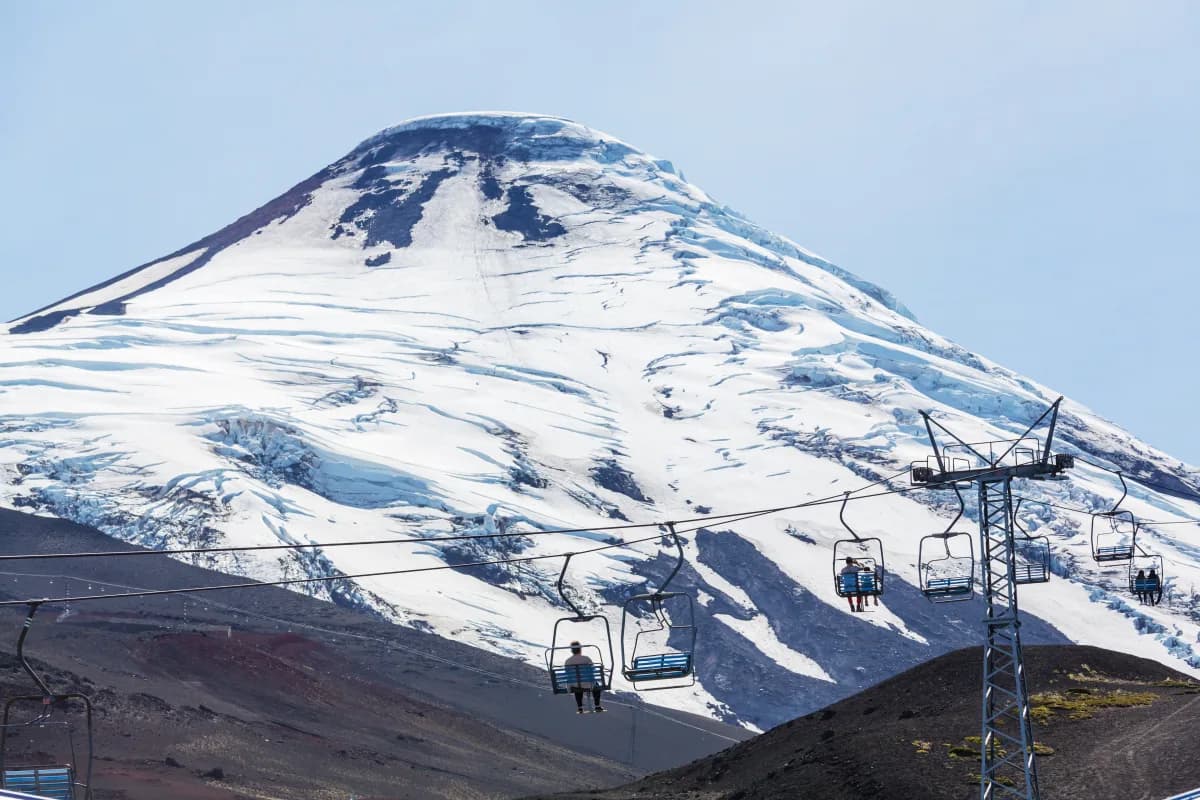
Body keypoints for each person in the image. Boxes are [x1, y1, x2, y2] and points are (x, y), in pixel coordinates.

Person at [564, 641, 604, 713]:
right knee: (596, 686)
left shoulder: (568, 661)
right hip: (588, 684)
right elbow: (592, 671)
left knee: (576, 685)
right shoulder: (586, 659)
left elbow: (568, 674)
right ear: (580, 649)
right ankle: (597, 706)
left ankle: (580, 707)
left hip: (574, 685)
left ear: (572, 651)